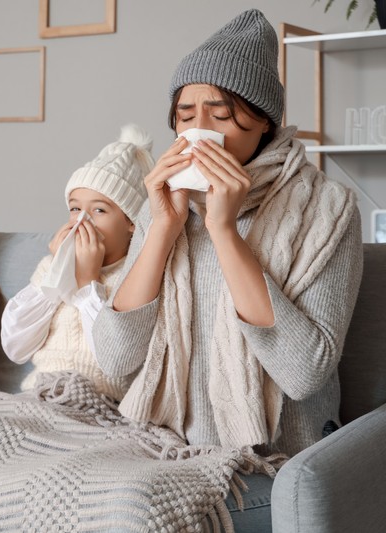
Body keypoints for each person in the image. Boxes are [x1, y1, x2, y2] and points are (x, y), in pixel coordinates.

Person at [92, 9, 363, 528]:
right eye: (185, 113)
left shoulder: (328, 209)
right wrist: (164, 229)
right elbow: (114, 357)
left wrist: (224, 230)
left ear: (263, 121)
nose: (197, 130)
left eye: (219, 116)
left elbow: (305, 372)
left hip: (270, 462)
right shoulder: (165, 205)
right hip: (164, 445)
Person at [1, 124, 153, 400]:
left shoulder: (135, 276)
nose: (82, 220)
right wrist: (55, 275)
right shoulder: (52, 267)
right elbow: (16, 347)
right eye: (75, 208)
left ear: (131, 222)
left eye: (98, 210)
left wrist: (88, 283)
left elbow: (116, 363)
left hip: (99, 399)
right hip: (40, 392)